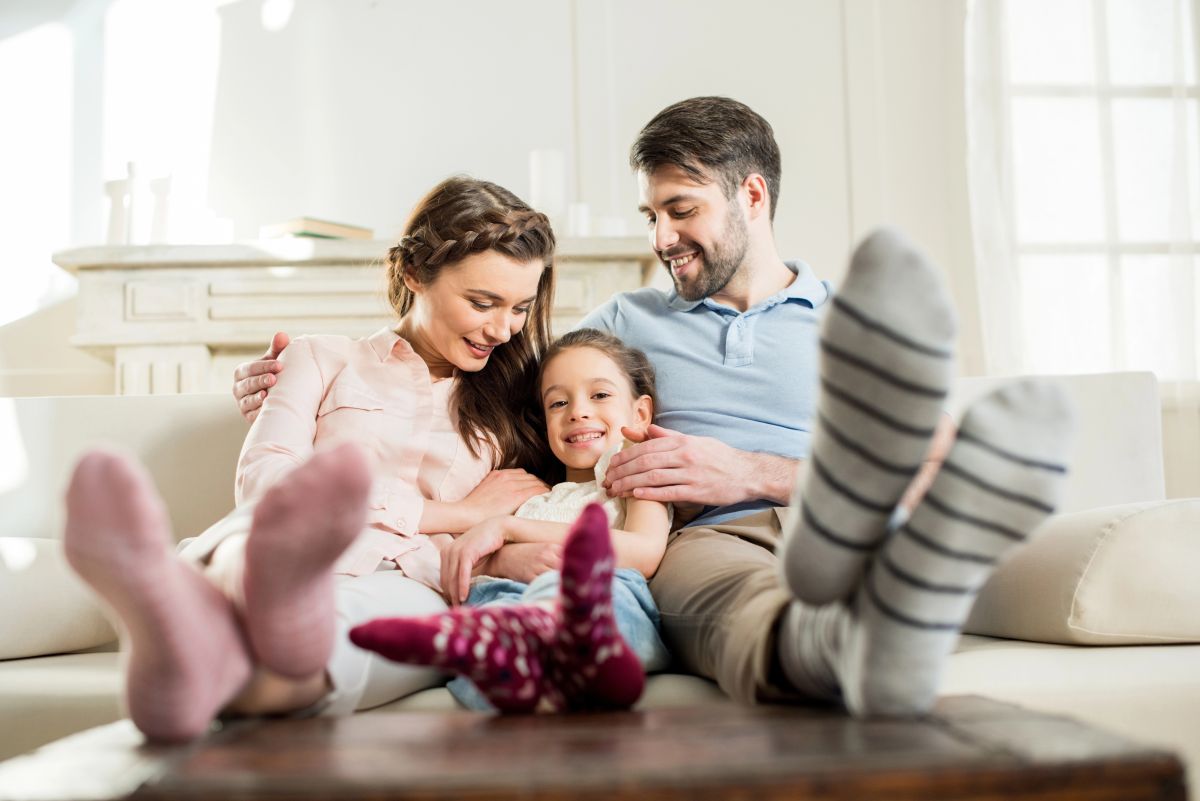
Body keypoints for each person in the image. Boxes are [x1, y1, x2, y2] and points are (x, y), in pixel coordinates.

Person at [233, 97, 1074, 717]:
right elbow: (474, 369)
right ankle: (837, 649)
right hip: (706, 538)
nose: (661, 238)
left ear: (752, 196)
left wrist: (751, 468)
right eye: (651, 214)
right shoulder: (620, 329)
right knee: (734, 599)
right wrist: (308, 384)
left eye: (682, 211)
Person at [63, 176, 591, 742]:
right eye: (482, 303)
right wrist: (459, 513)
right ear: (414, 273)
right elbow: (267, 486)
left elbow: (559, 508)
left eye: (520, 308)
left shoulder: (524, 400)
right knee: (259, 552)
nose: (503, 328)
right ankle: (211, 592)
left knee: (342, 632)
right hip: (274, 545)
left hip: (408, 579)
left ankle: (184, 656)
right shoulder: (319, 358)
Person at [351, 328, 673, 713]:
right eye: (557, 403)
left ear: (640, 412)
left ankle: (577, 655)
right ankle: (514, 661)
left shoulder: (632, 474)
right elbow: (465, 562)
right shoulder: (525, 492)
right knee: (496, 617)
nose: (578, 411)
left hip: (600, 594)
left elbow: (645, 552)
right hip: (502, 597)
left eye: (600, 395)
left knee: (590, 603)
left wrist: (508, 528)